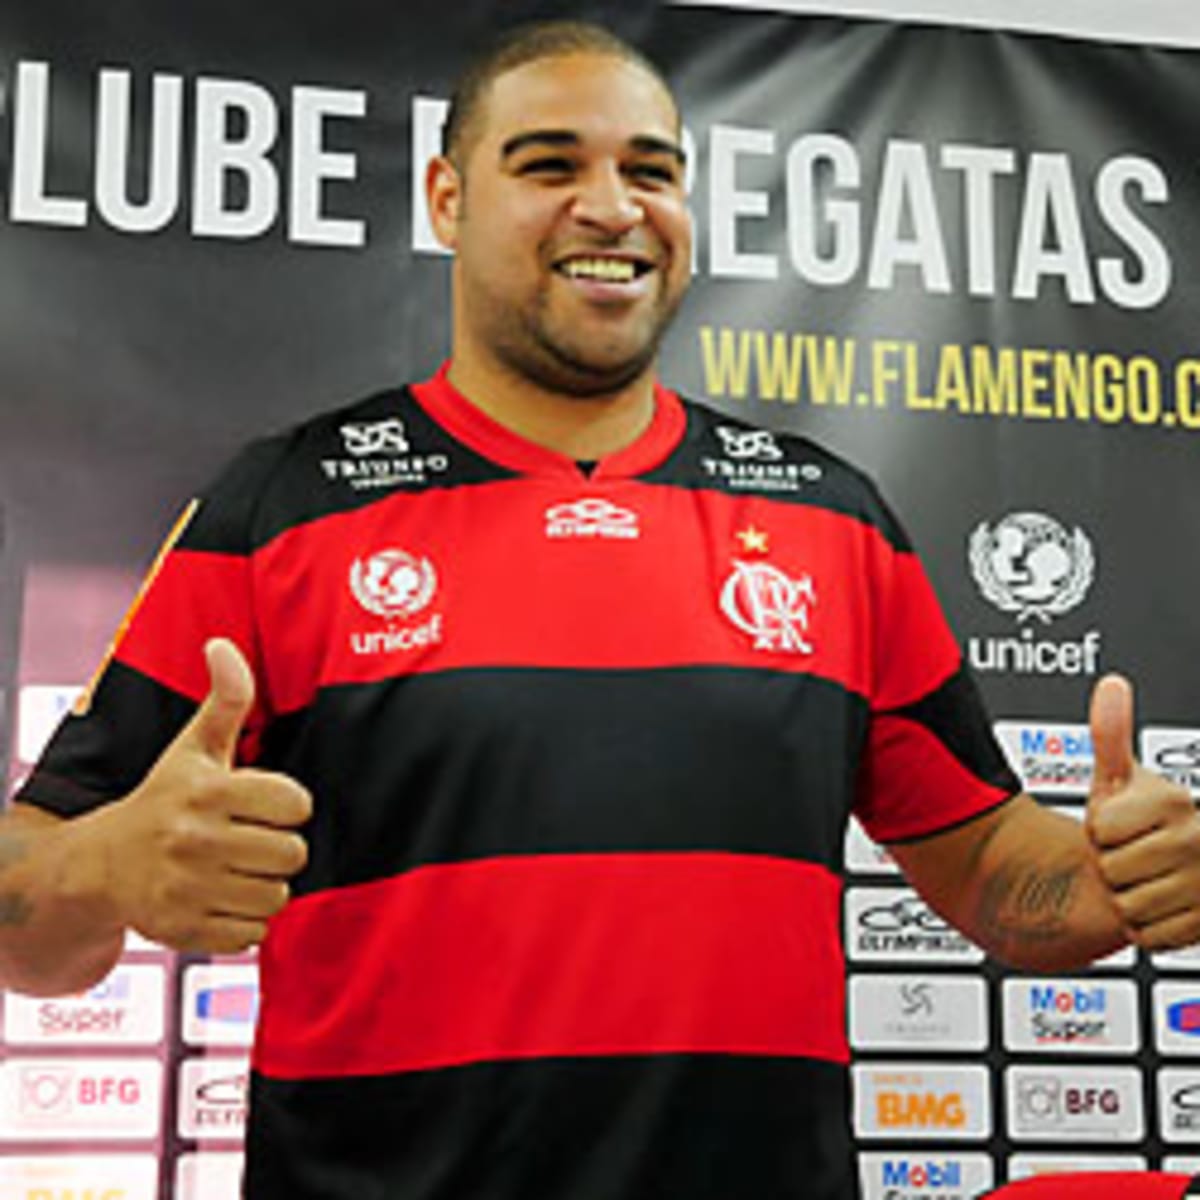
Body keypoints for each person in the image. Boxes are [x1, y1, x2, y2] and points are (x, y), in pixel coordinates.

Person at [2, 19, 1199, 1200]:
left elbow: (987, 863)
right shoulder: (283, 505)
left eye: (651, 170)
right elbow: (26, 903)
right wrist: (105, 864)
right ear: (447, 199)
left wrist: (1106, 882)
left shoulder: (835, 520)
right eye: (550, 164)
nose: (613, 207)